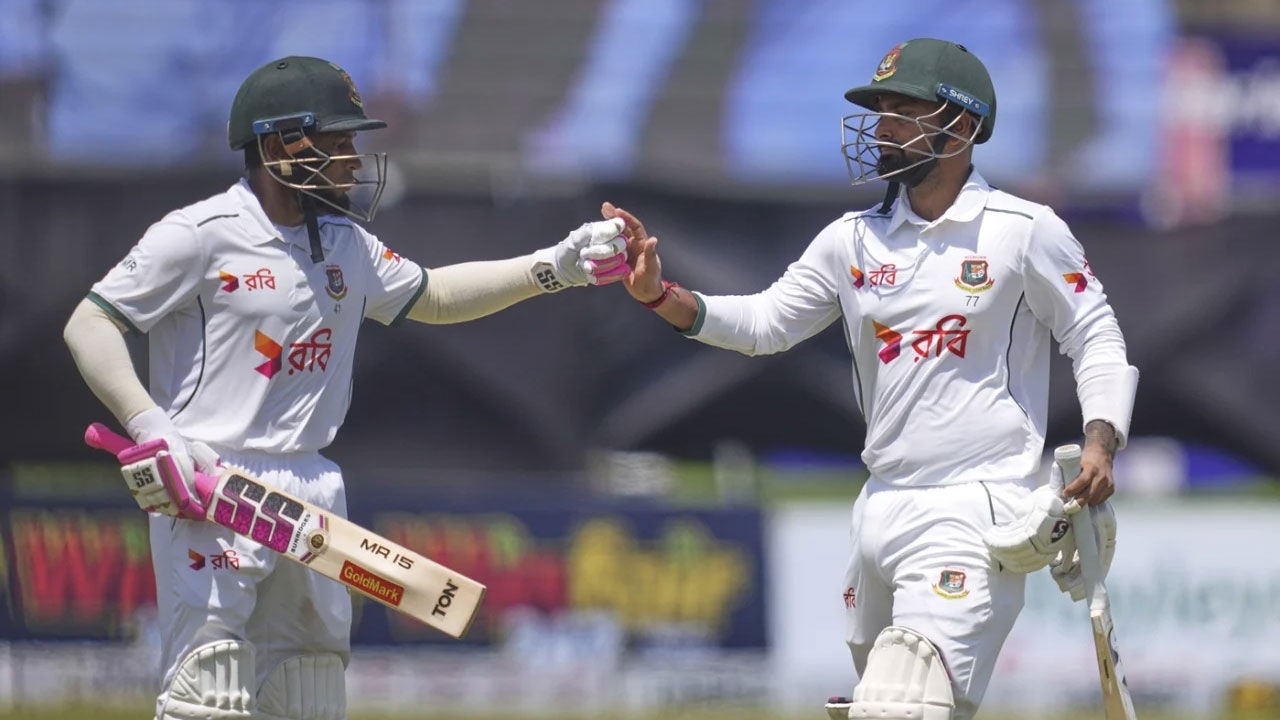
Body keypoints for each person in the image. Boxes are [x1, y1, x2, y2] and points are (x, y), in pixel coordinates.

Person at [63, 56, 628, 720]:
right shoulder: (199, 235)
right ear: (279, 145)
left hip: (311, 489)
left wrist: (553, 266)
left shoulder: (345, 244)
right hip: (210, 485)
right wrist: (150, 423)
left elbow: (435, 296)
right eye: (338, 141)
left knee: (309, 685)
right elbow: (90, 323)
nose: (354, 159)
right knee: (208, 692)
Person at [601, 38, 1138, 720]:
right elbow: (766, 323)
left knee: (901, 704)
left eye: (903, 111)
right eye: (881, 110)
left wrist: (1100, 440)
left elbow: (1094, 333)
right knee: (897, 705)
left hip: (976, 506)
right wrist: (660, 295)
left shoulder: (1023, 230)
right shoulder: (851, 239)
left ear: (961, 126)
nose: (882, 127)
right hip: (880, 506)